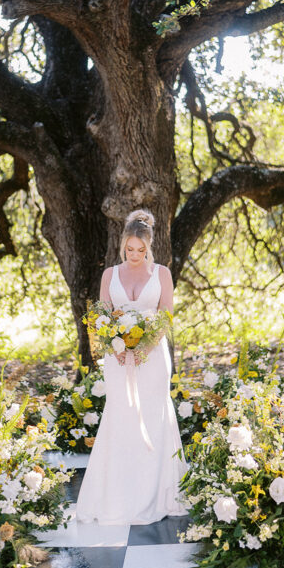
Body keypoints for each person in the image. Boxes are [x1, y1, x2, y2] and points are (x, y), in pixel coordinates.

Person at [75, 209, 188, 525]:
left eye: (140, 250)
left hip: (152, 358)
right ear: (122, 245)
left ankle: (156, 495)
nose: (134, 255)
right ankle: (117, 497)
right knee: (121, 416)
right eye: (129, 249)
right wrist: (117, 346)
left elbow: (165, 315)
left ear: (149, 247)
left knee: (153, 416)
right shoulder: (109, 275)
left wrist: (144, 349)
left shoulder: (162, 274)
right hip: (118, 358)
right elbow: (101, 316)